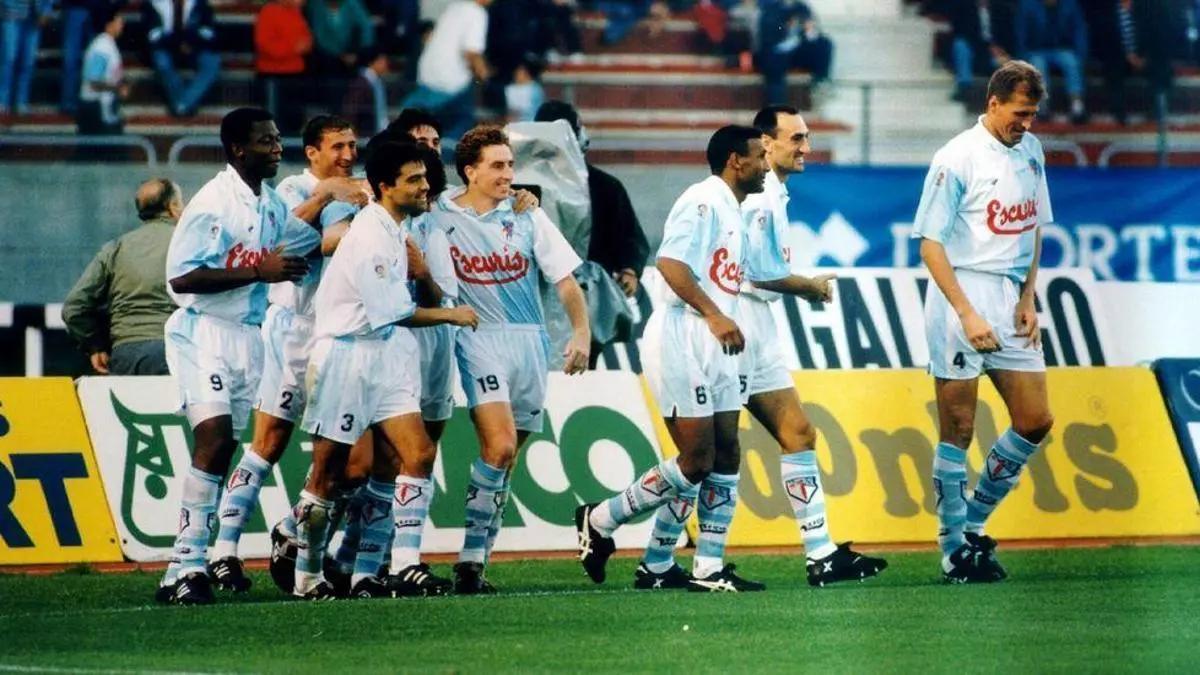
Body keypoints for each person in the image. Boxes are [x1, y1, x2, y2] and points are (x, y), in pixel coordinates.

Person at [634, 106, 888, 591]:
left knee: (792, 433)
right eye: (796, 138)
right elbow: (749, 271)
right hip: (734, 320)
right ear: (765, 146)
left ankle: (818, 553)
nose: (805, 147)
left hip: (753, 322)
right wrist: (807, 287)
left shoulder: (765, 193)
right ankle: (667, 554)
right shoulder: (748, 197)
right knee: (710, 455)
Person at [155, 108, 338, 605]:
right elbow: (182, 278)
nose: (277, 148)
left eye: (278, 139)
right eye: (266, 141)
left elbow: (302, 245)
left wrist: (347, 207)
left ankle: (196, 560)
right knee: (213, 440)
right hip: (203, 332)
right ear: (238, 148)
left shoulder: (270, 204)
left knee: (225, 449)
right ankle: (184, 565)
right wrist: (260, 271)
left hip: (247, 337)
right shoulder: (213, 203)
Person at [575, 125, 769, 592]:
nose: (766, 164)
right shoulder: (702, 200)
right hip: (684, 334)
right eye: (760, 156)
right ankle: (601, 517)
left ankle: (694, 566)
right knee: (697, 459)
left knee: (726, 453)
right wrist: (716, 315)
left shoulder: (738, 209)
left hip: (716, 338)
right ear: (734, 161)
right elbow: (670, 264)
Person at [290, 141, 479, 599]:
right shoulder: (370, 235)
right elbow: (391, 312)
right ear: (382, 187)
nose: (424, 186)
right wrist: (452, 314)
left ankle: (396, 567)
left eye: (424, 177)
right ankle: (306, 574)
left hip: (387, 354)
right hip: (347, 356)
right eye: (413, 179)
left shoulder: (396, 229)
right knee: (329, 476)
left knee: (417, 454)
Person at [208, 114, 371, 596]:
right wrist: (334, 206)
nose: (346, 154)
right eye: (337, 146)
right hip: (294, 328)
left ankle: (290, 529)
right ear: (313, 153)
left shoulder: (359, 193)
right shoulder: (293, 189)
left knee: (355, 463)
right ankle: (224, 550)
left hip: (342, 334)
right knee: (270, 442)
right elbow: (275, 244)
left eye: (352, 144)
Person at [427, 125, 590, 593]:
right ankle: (469, 558)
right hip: (478, 337)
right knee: (497, 448)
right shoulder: (439, 215)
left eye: (510, 165)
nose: (508, 175)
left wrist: (581, 332)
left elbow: (564, 281)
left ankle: (476, 563)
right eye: (497, 166)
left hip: (529, 343)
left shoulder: (526, 215)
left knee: (506, 459)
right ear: (469, 171)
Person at [912, 60, 1055, 583]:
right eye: (1020, 113)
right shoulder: (956, 158)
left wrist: (1027, 297)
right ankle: (953, 551)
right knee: (960, 426)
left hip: (1009, 297)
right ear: (993, 103)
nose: (1027, 124)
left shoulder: (1032, 151)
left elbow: (1034, 227)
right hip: (961, 293)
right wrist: (966, 312)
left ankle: (971, 526)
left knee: (1036, 419)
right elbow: (930, 244)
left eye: (1034, 114)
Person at [533, 100, 650, 362]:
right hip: (534, 294)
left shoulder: (604, 187)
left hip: (587, 294)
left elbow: (629, 236)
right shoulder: (522, 187)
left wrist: (630, 269)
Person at [62, 178, 182, 376]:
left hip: (126, 355)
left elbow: (74, 307)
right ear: (173, 206)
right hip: (177, 350)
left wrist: (96, 346)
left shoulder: (116, 248)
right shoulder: (190, 243)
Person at [401, 0, 492, 143]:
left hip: (427, 76)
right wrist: (485, 77)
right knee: (462, 120)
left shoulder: (455, 8)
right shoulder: (477, 13)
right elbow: (471, 53)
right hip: (450, 82)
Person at [142, 0, 221, 117]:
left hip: (194, 47)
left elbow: (209, 32)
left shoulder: (200, 4)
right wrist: (177, 43)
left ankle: (183, 104)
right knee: (161, 62)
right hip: (166, 48)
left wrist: (190, 42)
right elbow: (152, 36)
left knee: (212, 62)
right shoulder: (153, 4)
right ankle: (183, 105)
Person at [1015, 0, 1088, 124]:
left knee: (1071, 62)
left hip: (1061, 49)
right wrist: (1022, 57)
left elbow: (1079, 31)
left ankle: (1076, 104)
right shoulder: (1028, 5)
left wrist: (1080, 55)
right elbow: (1021, 34)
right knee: (1038, 65)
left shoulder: (1070, 4)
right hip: (1036, 50)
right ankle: (1042, 105)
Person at [254, 0, 312, 135]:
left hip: (296, 74)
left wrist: (304, 46)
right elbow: (264, 45)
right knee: (275, 119)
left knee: (295, 119)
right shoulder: (269, 12)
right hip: (273, 75)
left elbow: (306, 38)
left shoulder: (297, 13)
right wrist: (294, 49)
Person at [949, 0, 1016, 102]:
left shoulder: (1002, 9)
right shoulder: (964, 8)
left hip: (997, 54)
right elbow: (963, 34)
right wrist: (988, 48)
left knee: (1007, 64)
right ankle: (964, 87)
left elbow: (1009, 36)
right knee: (960, 45)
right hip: (974, 51)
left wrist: (1003, 50)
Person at [77, 6, 127, 135]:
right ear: (109, 24)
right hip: (94, 108)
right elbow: (93, 82)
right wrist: (118, 88)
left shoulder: (109, 45)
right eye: (119, 21)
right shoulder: (101, 48)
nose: (122, 25)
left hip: (103, 107)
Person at [0, 0, 52, 116]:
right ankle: (2, 101)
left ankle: (21, 102)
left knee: (27, 62)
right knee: (9, 58)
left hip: (34, 15)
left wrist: (46, 11)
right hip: (11, 14)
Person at [342, 47, 390, 136]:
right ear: (372, 62)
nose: (386, 64)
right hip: (364, 136)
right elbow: (351, 111)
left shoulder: (376, 82)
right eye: (382, 60)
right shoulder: (361, 83)